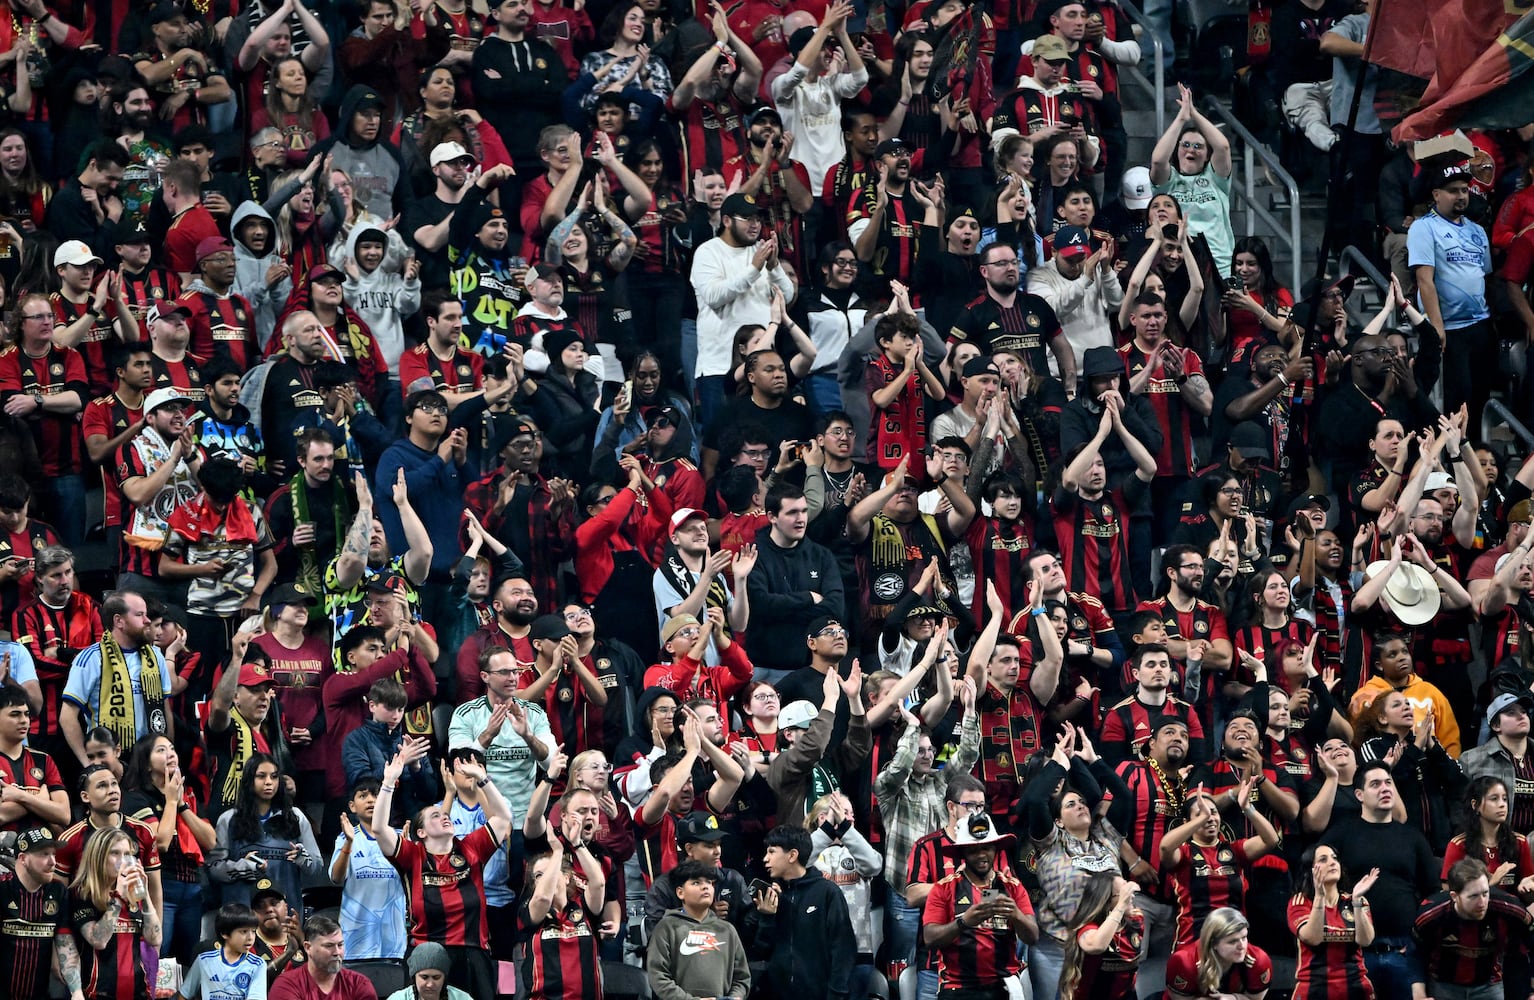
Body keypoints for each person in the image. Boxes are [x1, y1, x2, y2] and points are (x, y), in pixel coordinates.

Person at [375, 742, 512, 1000]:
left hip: (474, 953)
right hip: (427, 956)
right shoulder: (412, 855)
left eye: (444, 814)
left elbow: (503, 819)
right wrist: (388, 783)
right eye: (435, 816)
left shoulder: (471, 847)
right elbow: (380, 829)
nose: (444, 816)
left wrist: (483, 778)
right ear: (421, 832)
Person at [922, 811, 1038, 994]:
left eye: (987, 848)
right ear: (962, 853)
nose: (982, 855)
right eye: (973, 850)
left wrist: (1016, 915)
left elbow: (1033, 937)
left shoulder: (1013, 887)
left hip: (1005, 985)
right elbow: (929, 938)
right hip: (957, 987)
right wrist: (963, 922)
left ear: (996, 848)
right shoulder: (943, 889)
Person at [755, 824, 856, 1000]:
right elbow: (761, 952)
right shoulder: (773, 896)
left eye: (771, 852)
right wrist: (767, 918)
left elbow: (843, 950)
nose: (765, 859)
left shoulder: (827, 892)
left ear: (792, 855)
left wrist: (836, 995)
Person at [1413, 858, 1534, 1000]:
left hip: (1489, 985)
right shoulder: (1431, 915)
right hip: (1443, 986)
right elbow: (1415, 952)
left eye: (1485, 893)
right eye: (1473, 896)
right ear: (1454, 896)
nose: (1482, 903)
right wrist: (1419, 994)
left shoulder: (1509, 908)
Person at [68, 827, 163, 1000]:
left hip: (138, 992)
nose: (123, 861)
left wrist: (145, 894)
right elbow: (98, 940)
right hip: (99, 992)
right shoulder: (82, 893)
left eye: (127, 854)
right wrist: (118, 898)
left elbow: (155, 939)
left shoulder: (134, 893)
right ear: (98, 856)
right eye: (115, 853)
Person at [646, 858, 752, 1000]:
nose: (705, 887)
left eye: (709, 882)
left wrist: (735, 997)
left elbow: (742, 977)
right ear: (680, 892)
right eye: (696, 882)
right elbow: (658, 975)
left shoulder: (727, 930)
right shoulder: (667, 927)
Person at [0, 827, 87, 1000]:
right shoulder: (3, 889)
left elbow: (65, 943)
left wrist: (76, 991)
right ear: (23, 858)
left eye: (54, 854)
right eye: (44, 854)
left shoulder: (58, 891)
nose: (53, 862)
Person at [1058, 873, 1144, 1000]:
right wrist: (1121, 905)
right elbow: (1096, 946)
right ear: (1105, 901)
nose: (1130, 897)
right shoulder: (1088, 928)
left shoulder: (1136, 921)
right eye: (1124, 894)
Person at [1163, 906, 1273, 1000]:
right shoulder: (1184, 962)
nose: (1242, 946)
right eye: (1232, 941)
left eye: (1244, 938)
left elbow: (1255, 998)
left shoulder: (1259, 960)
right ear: (1213, 943)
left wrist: (1235, 998)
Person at [267, 915, 379, 1000]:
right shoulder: (287, 985)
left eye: (340, 945)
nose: (337, 952)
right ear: (308, 947)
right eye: (329, 946)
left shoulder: (359, 984)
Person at [180, 904, 269, 1000]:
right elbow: (185, 994)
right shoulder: (204, 960)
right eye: (244, 931)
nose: (250, 938)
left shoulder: (257, 964)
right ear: (224, 933)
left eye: (253, 931)